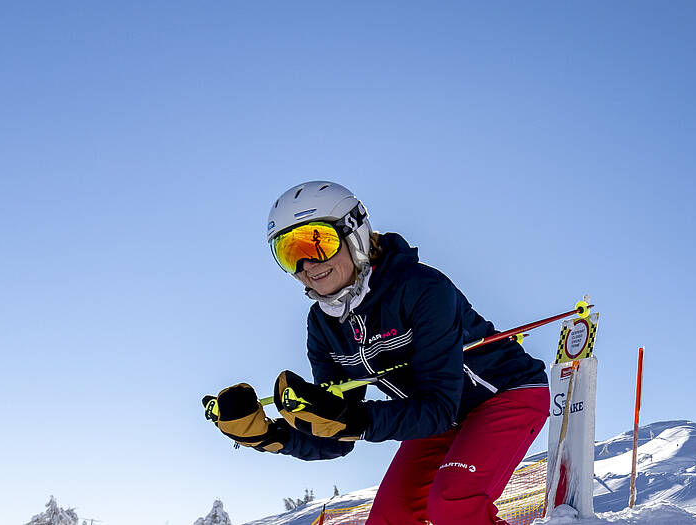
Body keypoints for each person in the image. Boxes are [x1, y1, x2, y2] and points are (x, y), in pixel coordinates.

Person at [207, 181, 550, 525]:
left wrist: (351, 418)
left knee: (453, 503)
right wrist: (267, 434)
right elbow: (334, 437)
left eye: (318, 243)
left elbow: (435, 408)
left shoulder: (421, 288)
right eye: (289, 253)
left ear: (354, 233)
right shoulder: (323, 326)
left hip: (505, 394)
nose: (307, 265)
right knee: (390, 518)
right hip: (436, 415)